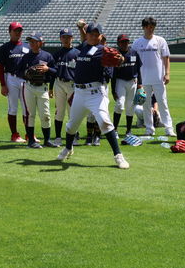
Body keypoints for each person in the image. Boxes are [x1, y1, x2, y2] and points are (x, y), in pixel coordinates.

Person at [57, 22, 130, 169]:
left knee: (104, 121)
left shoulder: (102, 50)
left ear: (101, 36)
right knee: (71, 126)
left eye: (97, 34)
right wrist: (81, 29)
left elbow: (118, 57)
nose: (94, 36)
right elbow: (84, 41)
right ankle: (68, 148)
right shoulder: (83, 47)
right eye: (91, 33)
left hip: (96, 93)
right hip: (79, 92)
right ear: (87, 34)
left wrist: (121, 59)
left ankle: (118, 156)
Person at [131, 17, 176, 137]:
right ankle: (149, 129)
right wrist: (135, 77)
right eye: (148, 27)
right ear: (143, 27)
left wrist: (167, 73)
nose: (150, 29)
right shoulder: (137, 43)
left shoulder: (160, 40)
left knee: (163, 103)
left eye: (152, 27)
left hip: (158, 78)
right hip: (143, 79)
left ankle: (169, 128)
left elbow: (166, 57)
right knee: (145, 105)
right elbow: (133, 62)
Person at [17, 32, 58, 148]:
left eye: (34, 41)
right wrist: (26, 73)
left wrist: (47, 69)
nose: (32, 43)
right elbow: (19, 72)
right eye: (30, 41)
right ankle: (31, 141)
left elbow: (56, 72)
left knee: (45, 114)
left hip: (43, 88)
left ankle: (47, 140)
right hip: (29, 87)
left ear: (40, 43)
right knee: (30, 114)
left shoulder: (47, 56)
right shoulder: (26, 57)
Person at [0, 22, 28, 142]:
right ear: (10, 32)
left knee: (27, 108)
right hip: (11, 79)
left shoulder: (27, 46)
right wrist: (3, 85)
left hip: (25, 80)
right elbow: (0, 68)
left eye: (19, 30)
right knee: (13, 108)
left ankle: (29, 134)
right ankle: (15, 134)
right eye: (15, 30)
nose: (18, 33)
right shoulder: (4, 48)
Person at [49, 28, 79, 146]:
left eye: (68, 37)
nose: (66, 39)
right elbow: (53, 72)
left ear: (72, 38)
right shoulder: (56, 54)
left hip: (72, 85)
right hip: (59, 83)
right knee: (59, 111)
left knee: (73, 112)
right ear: (60, 38)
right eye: (64, 37)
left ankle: (74, 137)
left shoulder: (77, 53)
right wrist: (51, 87)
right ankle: (57, 137)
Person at [112, 34, 142, 136]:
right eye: (122, 42)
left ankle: (128, 130)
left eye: (126, 41)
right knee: (120, 105)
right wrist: (113, 90)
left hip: (133, 82)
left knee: (130, 107)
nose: (124, 44)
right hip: (120, 82)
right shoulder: (115, 54)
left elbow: (138, 69)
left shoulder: (134, 52)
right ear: (118, 43)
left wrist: (140, 84)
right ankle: (114, 129)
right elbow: (113, 74)